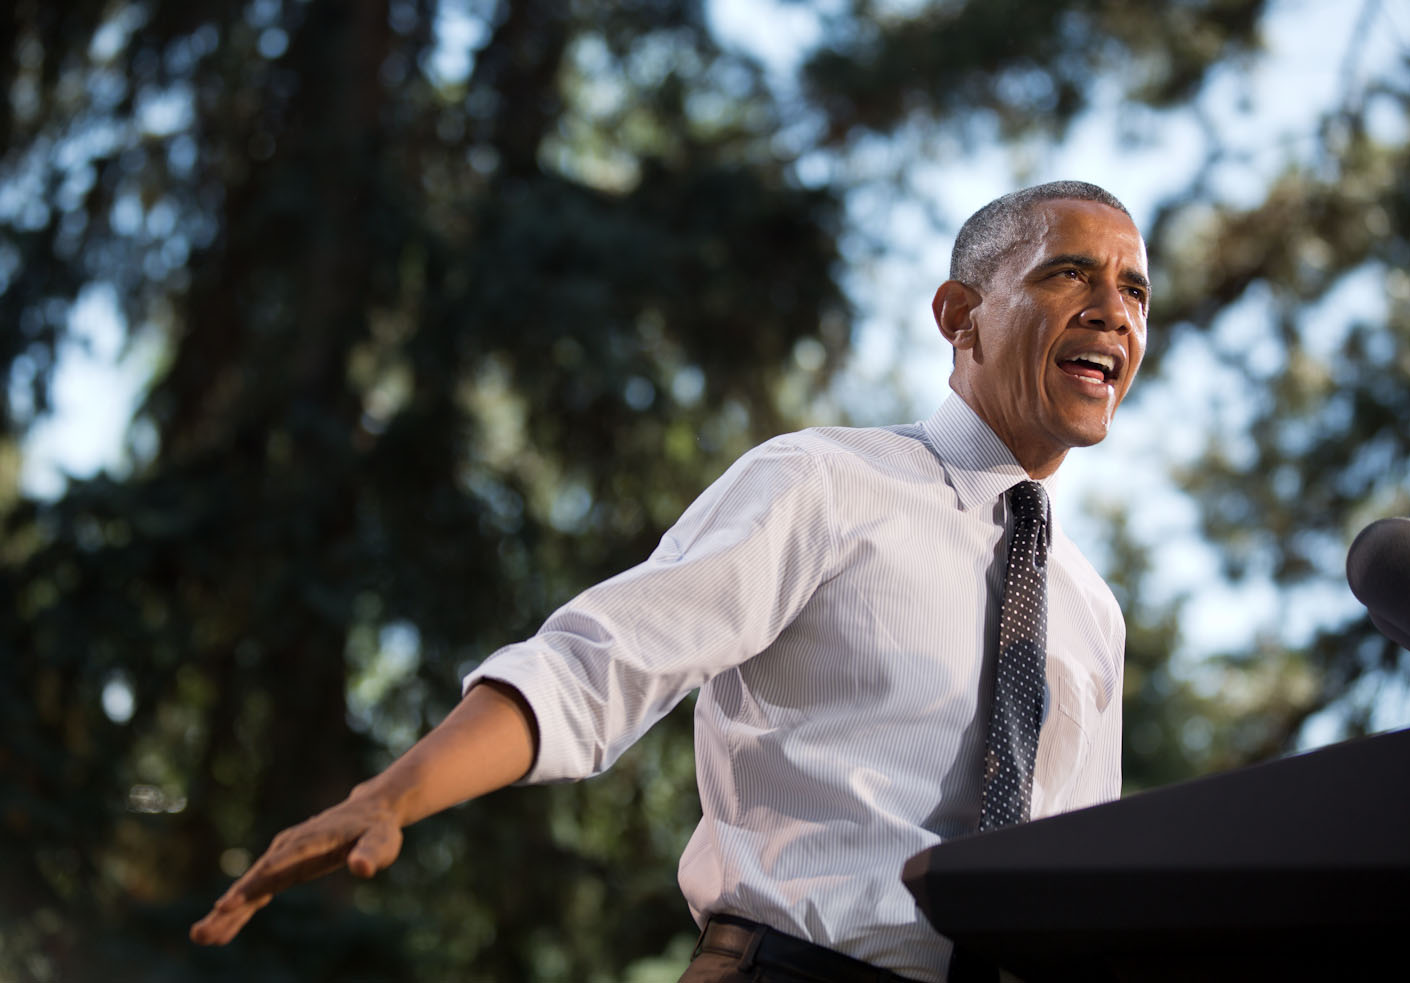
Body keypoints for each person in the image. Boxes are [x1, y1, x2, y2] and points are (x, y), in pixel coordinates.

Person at [191, 180, 1149, 982]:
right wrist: (392, 794)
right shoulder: (825, 484)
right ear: (959, 315)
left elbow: (1080, 878)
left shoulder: (1091, 612)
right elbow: (604, 660)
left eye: (1136, 292)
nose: (1113, 308)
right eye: (1070, 272)